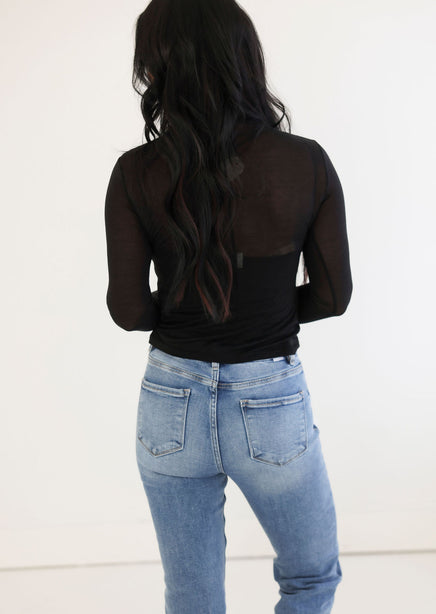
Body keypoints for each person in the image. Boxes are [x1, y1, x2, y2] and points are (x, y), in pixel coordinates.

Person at [104, 0, 352, 612]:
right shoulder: (305, 163)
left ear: (157, 68)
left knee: (191, 596)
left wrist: (190, 308)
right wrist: (262, 309)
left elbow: (129, 310)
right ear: (245, 57)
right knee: (310, 579)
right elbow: (332, 295)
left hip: (170, 402)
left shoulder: (135, 172)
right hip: (270, 402)